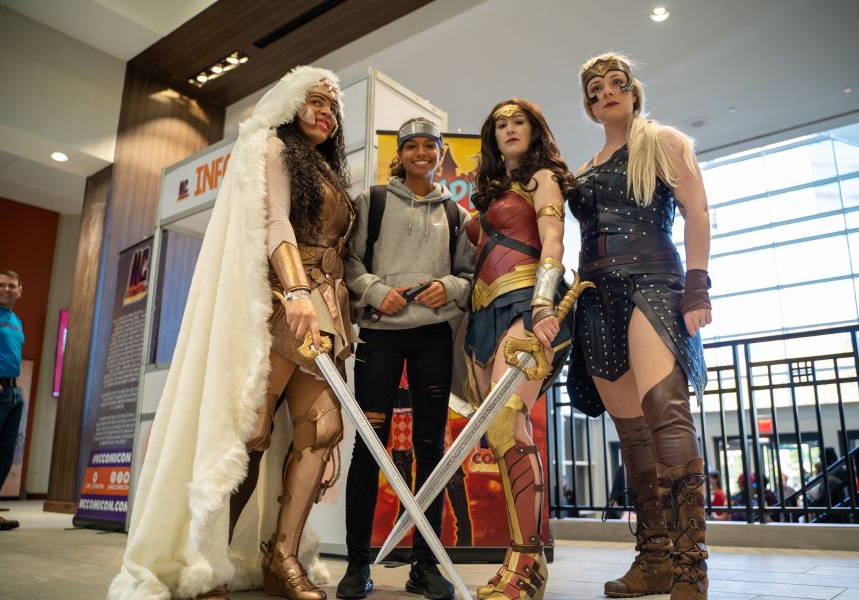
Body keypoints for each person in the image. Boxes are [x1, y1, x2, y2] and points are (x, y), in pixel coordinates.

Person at [108, 66, 353, 600]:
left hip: (328, 313)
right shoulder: (273, 148)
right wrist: (296, 291)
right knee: (250, 433)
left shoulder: (328, 171)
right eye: (316, 101)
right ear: (291, 103)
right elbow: (275, 221)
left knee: (321, 430)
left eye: (333, 107)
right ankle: (205, 558)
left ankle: (282, 558)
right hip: (280, 304)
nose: (326, 113)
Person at [566, 53, 712, 600]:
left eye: (616, 83)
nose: (606, 92)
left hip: (652, 280)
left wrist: (697, 285)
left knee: (666, 414)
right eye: (595, 89)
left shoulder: (663, 141)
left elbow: (697, 211)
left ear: (633, 93)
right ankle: (654, 559)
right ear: (589, 105)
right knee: (630, 434)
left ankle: (689, 568)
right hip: (595, 297)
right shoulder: (584, 168)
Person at [339, 117, 474, 600]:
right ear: (400, 154)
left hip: (432, 338)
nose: (421, 154)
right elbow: (349, 262)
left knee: (431, 450)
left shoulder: (456, 214)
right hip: (380, 338)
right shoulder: (372, 201)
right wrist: (377, 292)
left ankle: (425, 565)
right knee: (369, 448)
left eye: (429, 146)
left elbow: (468, 276)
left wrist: (449, 287)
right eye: (412, 146)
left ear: (440, 152)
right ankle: (357, 565)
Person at [464, 98, 575, 600]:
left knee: (508, 420)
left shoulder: (541, 178)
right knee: (500, 433)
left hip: (527, 302)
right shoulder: (489, 192)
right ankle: (520, 558)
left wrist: (545, 301)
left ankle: (527, 563)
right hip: (484, 313)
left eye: (519, 121)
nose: (509, 129)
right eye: (501, 124)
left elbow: (553, 241)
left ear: (535, 129)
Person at [0, 269, 24, 531]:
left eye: (11, 285)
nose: (6, 289)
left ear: (19, 291)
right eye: (1, 285)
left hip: (13, 393)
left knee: (3, 457)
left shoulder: (16, 321)